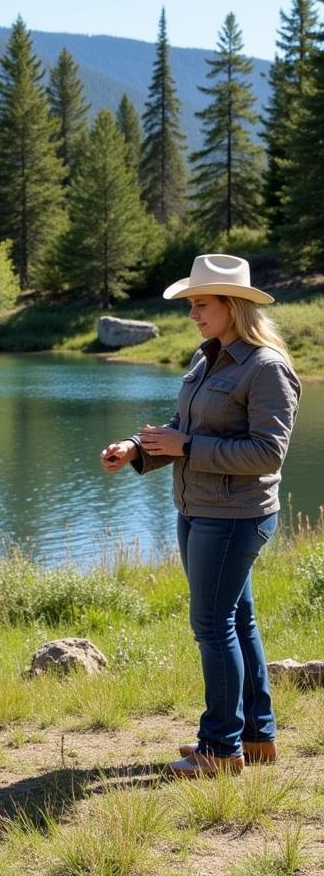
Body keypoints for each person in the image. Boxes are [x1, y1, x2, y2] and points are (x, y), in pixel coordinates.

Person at [100, 254, 300, 777]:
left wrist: (187, 446)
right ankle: (256, 740)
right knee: (237, 620)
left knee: (213, 627)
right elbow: (177, 426)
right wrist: (137, 449)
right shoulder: (205, 357)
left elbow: (267, 453)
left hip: (235, 516)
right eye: (191, 304)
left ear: (233, 306)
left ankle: (219, 748)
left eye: (202, 304)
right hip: (198, 510)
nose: (193, 313)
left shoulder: (267, 368)